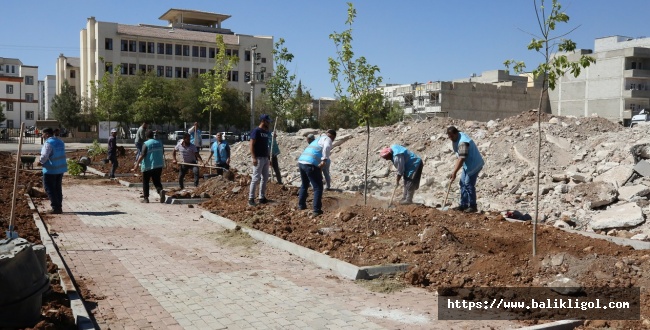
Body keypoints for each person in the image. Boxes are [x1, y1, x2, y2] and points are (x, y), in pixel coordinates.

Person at [297, 129, 336, 215]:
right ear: (333, 138)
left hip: (301, 162)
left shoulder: (318, 139)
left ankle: (301, 205)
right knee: (318, 187)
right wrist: (324, 160)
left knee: (304, 184)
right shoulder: (328, 139)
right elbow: (326, 147)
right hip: (310, 164)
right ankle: (316, 210)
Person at [447, 126, 484, 213]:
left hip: (474, 164)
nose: (450, 138)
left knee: (468, 184)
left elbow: (461, 158)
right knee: (462, 183)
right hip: (467, 164)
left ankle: (472, 206)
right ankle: (463, 205)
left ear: (456, 133)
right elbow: (459, 156)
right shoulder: (456, 138)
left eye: (452, 136)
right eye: (449, 136)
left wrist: (454, 172)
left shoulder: (463, 142)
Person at [38, 128, 68, 214]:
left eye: (42, 134)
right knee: (57, 188)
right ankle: (59, 207)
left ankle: (55, 208)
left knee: (49, 188)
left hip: (50, 170)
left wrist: (40, 162)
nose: (42, 136)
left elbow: (44, 156)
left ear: (47, 134)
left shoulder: (48, 143)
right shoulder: (60, 142)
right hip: (60, 169)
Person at [132, 130, 165, 203]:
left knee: (146, 182)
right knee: (156, 181)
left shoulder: (146, 144)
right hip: (158, 166)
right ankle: (160, 191)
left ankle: (146, 198)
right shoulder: (159, 142)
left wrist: (137, 164)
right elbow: (162, 152)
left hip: (148, 166)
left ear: (146, 136)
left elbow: (142, 154)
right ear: (153, 135)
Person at [248, 114, 272, 206]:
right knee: (255, 178)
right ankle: (251, 198)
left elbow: (267, 146)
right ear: (263, 121)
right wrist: (253, 157)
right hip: (258, 158)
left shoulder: (265, 132)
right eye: (268, 121)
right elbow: (251, 144)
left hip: (265, 158)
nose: (269, 123)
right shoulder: (256, 131)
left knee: (265, 178)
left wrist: (268, 158)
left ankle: (261, 197)